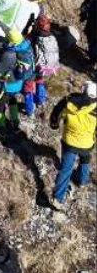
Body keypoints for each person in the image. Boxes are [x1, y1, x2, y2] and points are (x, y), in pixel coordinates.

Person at [49, 81, 97, 210]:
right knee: (85, 160)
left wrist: (54, 125)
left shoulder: (69, 101)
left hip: (69, 142)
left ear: (84, 91)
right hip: (87, 143)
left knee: (66, 169)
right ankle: (81, 181)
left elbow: (57, 113)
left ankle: (57, 198)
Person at [31, 15, 59, 115]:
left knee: (33, 80)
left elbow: (31, 46)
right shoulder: (51, 35)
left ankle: (34, 100)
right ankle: (41, 100)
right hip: (51, 66)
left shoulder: (37, 35)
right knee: (40, 80)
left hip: (40, 65)